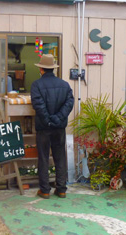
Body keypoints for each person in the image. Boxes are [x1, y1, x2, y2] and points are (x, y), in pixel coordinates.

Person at [30, 54, 74, 199]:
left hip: (44, 127)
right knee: (60, 157)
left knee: (43, 158)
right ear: (53, 69)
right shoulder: (64, 85)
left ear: (41, 69)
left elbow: (38, 105)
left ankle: (45, 190)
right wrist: (58, 118)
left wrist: (48, 120)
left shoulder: (36, 85)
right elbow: (69, 103)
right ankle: (61, 189)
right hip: (59, 126)